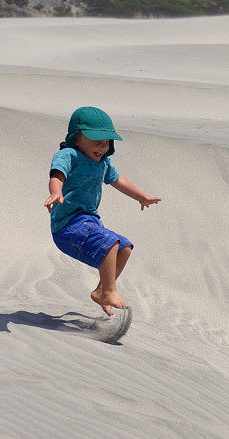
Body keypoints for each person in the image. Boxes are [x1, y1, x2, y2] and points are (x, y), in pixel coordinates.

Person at [44, 106, 161, 315]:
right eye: (96, 142)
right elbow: (57, 174)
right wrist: (56, 192)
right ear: (77, 138)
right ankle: (109, 291)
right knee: (110, 243)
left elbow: (118, 180)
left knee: (124, 247)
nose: (102, 147)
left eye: (106, 142)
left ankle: (101, 291)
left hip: (89, 222)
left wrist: (141, 197)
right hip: (67, 226)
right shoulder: (69, 155)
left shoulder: (103, 162)